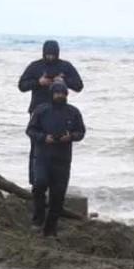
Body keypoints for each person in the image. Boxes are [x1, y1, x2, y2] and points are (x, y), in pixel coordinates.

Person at [18, 40, 83, 184]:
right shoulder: (35, 66)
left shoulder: (65, 66)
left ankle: (56, 182)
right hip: (38, 111)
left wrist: (64, 82)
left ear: (58, 53)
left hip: (61, 111)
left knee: (61, 146)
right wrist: (38, 82)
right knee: (36, 146)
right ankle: (34, 181)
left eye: (53, 55)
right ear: (43, 53)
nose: (50, 58)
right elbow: (21, 85)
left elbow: (79, 86)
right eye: (48, 55)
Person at [26, 81, 86, 236]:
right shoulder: (41, 110)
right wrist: (43, 137)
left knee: (58, 195)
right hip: (43, 156)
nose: (60, 96)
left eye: (63, 93)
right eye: (57, 93)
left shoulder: (73, 112)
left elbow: (81, 132)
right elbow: (30, 130)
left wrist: (71, 136)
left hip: (62, 159)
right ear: (51, 94)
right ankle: (38, 219)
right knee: (39, 184)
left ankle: (50, 229)